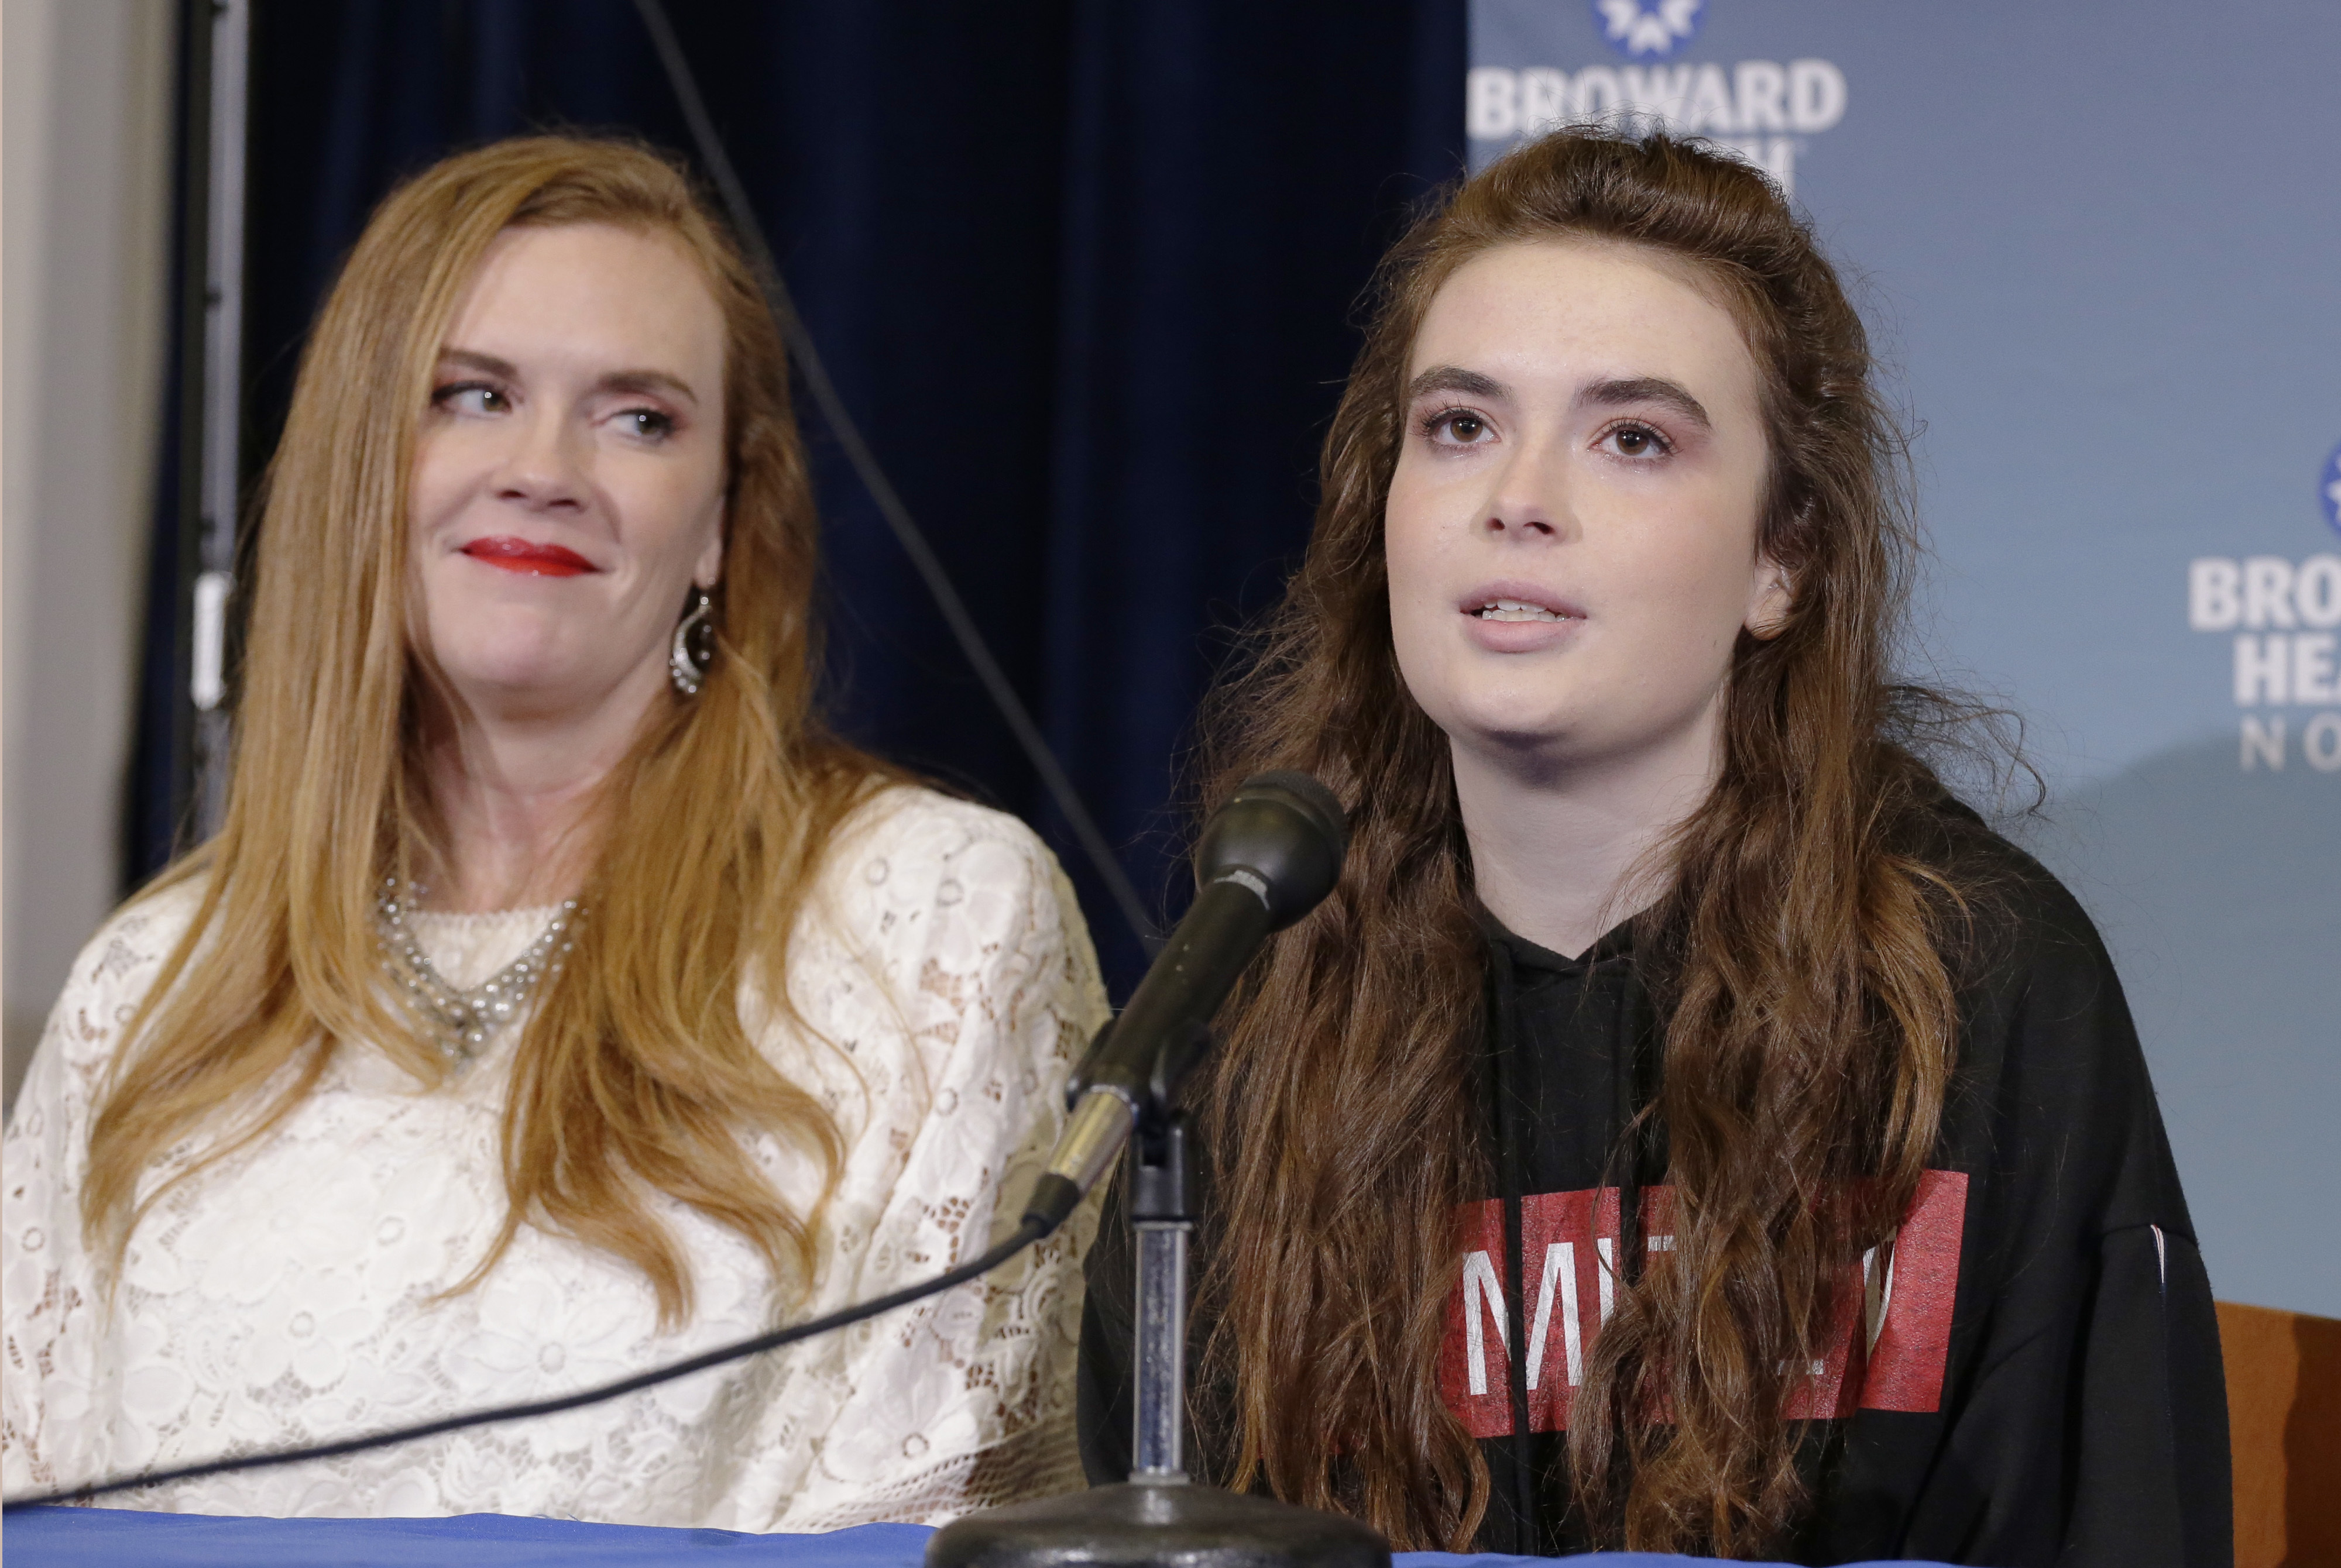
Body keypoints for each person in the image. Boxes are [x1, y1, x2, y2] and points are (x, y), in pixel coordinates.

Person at [1079, 129, 2230, 1566]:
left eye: (1631, 436)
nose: (1519, 495)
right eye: (1458, 425)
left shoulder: (1983, 989)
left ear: (1779, 560)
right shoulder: (1249, 1000)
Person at [1, 136, 1107, 1529]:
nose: (543, 468)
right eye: (472, 395)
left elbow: (904, 1518)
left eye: (638, 418)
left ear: (720, 522)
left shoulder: (935, 912)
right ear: (363, 465)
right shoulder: (151, 977)